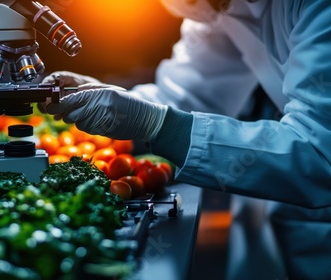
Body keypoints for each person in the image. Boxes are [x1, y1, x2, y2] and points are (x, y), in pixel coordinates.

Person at [39, 0, 331, 279]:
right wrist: (115, 100)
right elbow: (188, 96)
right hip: (301, 217)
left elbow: (318, 150)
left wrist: (154, 123)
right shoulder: (223, 8)